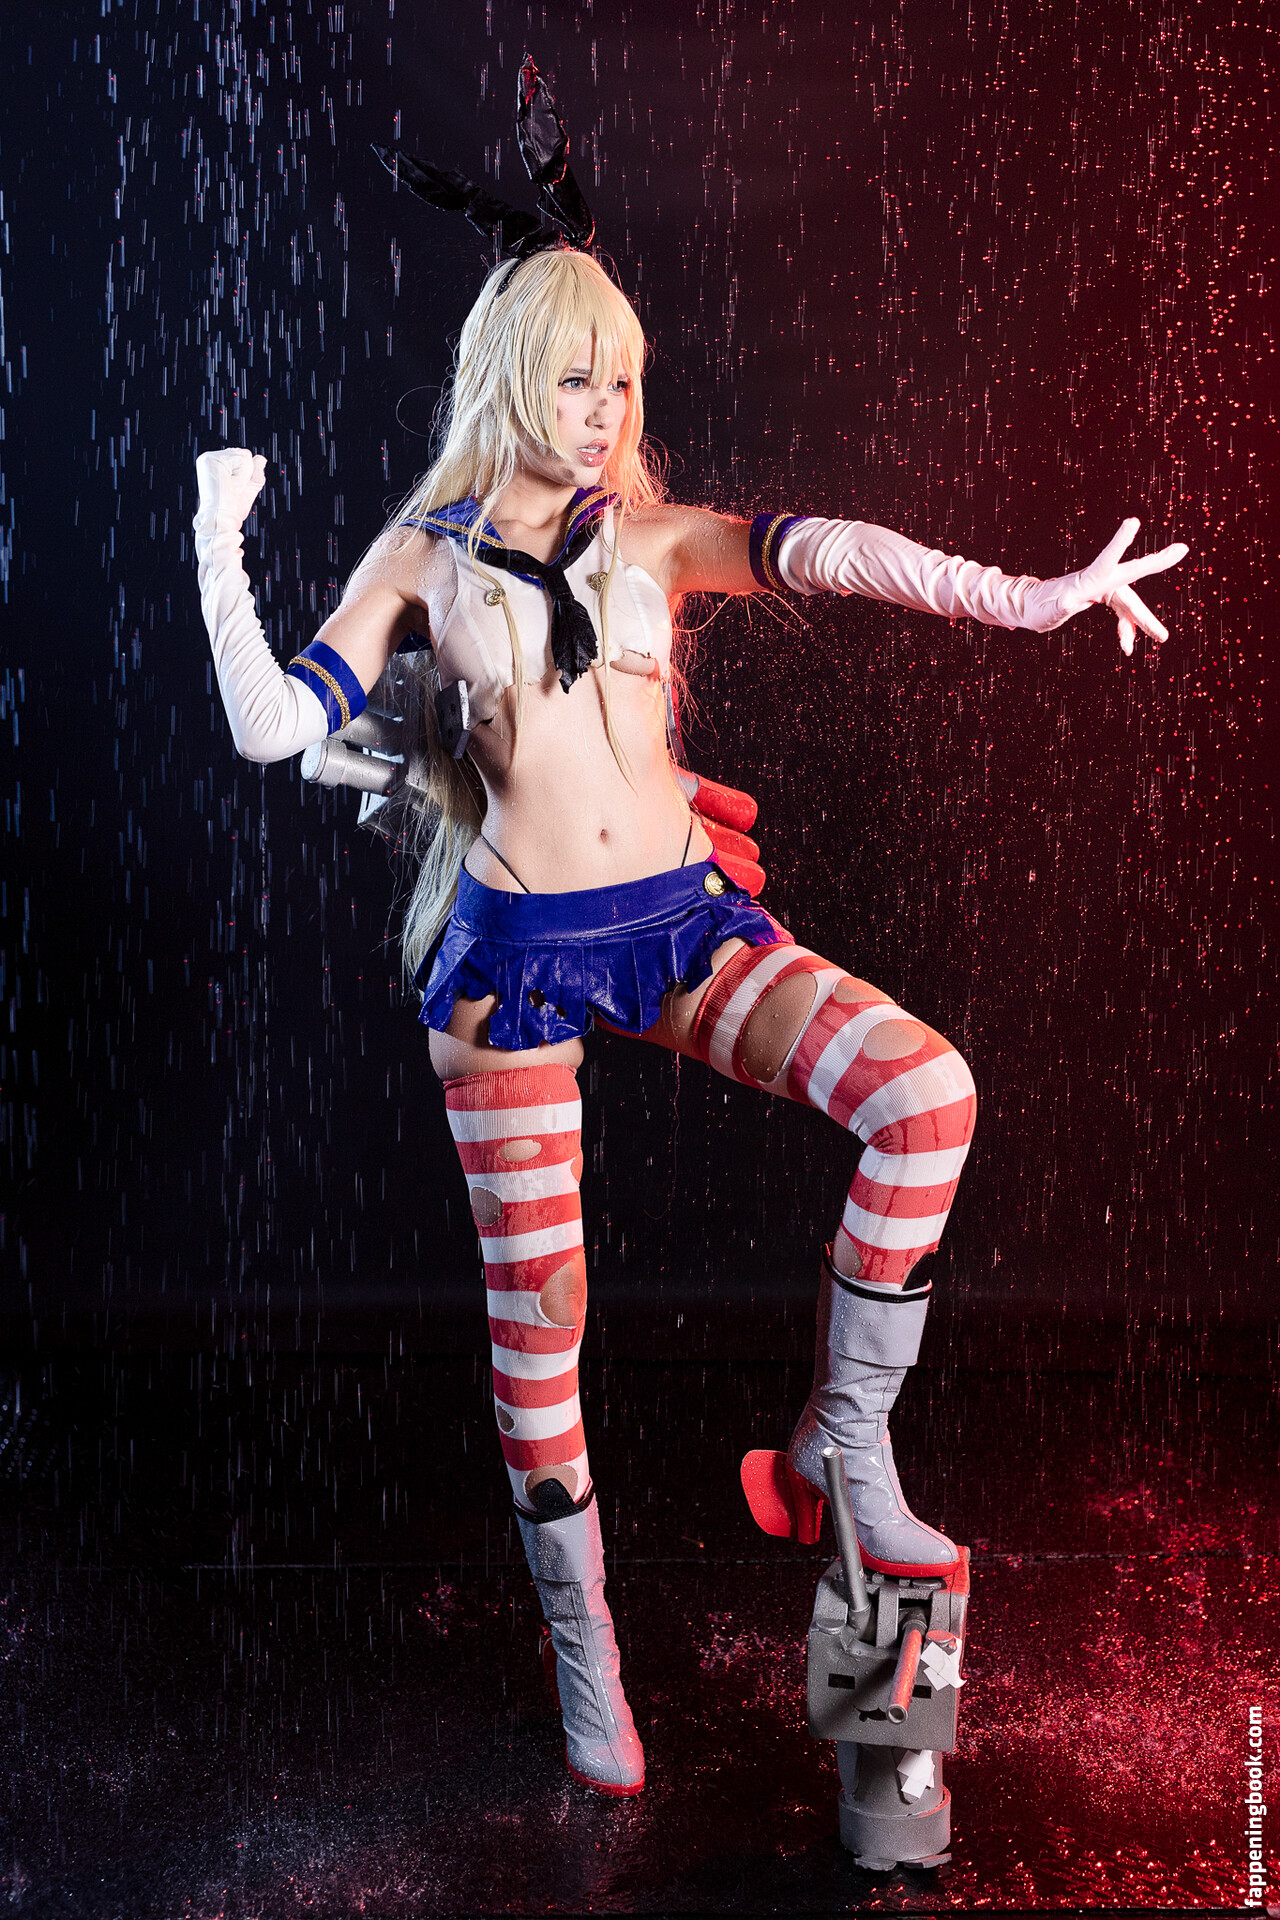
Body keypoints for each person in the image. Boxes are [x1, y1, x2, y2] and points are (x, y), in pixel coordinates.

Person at [191, 241, 1187, 1797]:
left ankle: (843, 1459)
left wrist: (1027, 597)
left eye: (624, 383)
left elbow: (826, 550)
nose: (605, 412)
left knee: (927, 1095)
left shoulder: (646, 538)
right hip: (514, 963)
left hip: (680, 927)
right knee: (547, 1317)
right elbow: (274, 727)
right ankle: (586, 1646)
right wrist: (216, 535)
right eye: (575, 378)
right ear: (509, 376)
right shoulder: (423, 559)